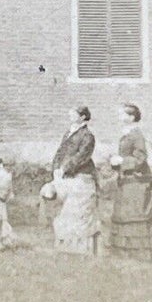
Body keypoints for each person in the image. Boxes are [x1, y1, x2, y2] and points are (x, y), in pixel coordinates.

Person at [106, 103, 152, 261]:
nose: (119, 117)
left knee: (135, 214)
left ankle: (139, 254)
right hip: (127, 180)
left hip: (137, 181)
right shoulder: (127, 133)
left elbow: (140, 158)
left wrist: (122, 160)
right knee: (125, 213)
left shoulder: (137, 134)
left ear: (131, 117)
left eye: (122, 114)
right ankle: (125, 253)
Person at [44, 104, 100, 255]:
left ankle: (82, 249)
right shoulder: (69, 132)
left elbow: (81, 156)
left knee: (78, 212)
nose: (70, 115)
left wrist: (65, 168)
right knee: (65, 212)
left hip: (81, 177)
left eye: (73, 113)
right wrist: (55, 168)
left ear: (82, 117)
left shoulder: (87, 135)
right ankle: (66, 247)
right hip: (66, 176)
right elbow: (60, 151)